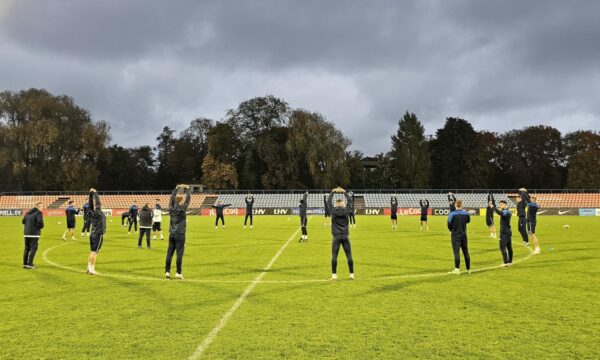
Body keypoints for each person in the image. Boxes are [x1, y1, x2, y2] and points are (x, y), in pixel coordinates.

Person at [327, 187, 355, 280]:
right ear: (343, 204)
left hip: (336, 237)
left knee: (334, 256)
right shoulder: (346, 210)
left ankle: (334, 275)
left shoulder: (333, 211)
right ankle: (351, 274)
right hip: (345, 236)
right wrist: (344, 192)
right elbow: (350, 201)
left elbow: (328, 202)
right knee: (349, 256)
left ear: (336, 204)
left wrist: (333, 191)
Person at [165, 184, 191, 279]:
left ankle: (167, 272)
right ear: (181, 201)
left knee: (169, 253)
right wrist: (187, 189)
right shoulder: (183, 209)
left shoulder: (171, 208)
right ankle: (178, 273)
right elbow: (188, 200)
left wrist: (176, 189)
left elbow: (171, 199)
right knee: (179, 254)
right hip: (180, 234)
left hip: (172, 233)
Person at [447, 199, 471, 275]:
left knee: (456, 252)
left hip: (455, 235)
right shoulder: (466, 213)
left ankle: (457, 269)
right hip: (464, 234)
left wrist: (452, 230)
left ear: (455, 205)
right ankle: (468, 269)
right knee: (466, 251)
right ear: (462, 205)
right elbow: (468, 221)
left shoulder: (452, 214)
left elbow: (449, 224)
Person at [87, 188, 106, 275]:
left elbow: (90, 204)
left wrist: (90, 194)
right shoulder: (98, 212)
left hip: (93, 233)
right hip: (98, 234)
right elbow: (97, 202)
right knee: (95, 252)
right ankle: (92, 269)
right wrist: (95, 192)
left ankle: (88, 268)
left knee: (92, 251)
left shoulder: (91, 212)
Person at [491, 195, 513, 267]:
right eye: (499, 204)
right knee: (509, 247)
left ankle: (505, 262)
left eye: (501, 204)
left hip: (504, 233)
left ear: (505, 205)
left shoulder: (506, 211)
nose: (500, 206)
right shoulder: (507, 211)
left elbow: (501, 213)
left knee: (502, 247)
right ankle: (510, 262)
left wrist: (493, 207)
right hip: (508, 231)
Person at [22, 202, 44, 269]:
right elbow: (40, 223)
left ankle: (25, 264)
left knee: (26, 248)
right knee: (33, 248)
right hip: (34, 233)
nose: (42, 208)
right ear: (39, 207)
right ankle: (30, 264)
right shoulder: (39, 213)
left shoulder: (27, 213)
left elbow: (23, 221)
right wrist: (40, 227)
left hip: (26, 233)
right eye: (41, 206)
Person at [520, 188, 541, 255]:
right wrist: (526, 192)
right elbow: (528, 198)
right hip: (529, 221)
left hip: (532, 221)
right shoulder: (532, 204)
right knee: (531, 235)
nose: (530, 199)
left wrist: (523, 191)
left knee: (533, 235)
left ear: (533, 200)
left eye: (531, 198)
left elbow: (526, 198)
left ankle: (537, 249)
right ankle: (537, 248)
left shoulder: (534, 205)